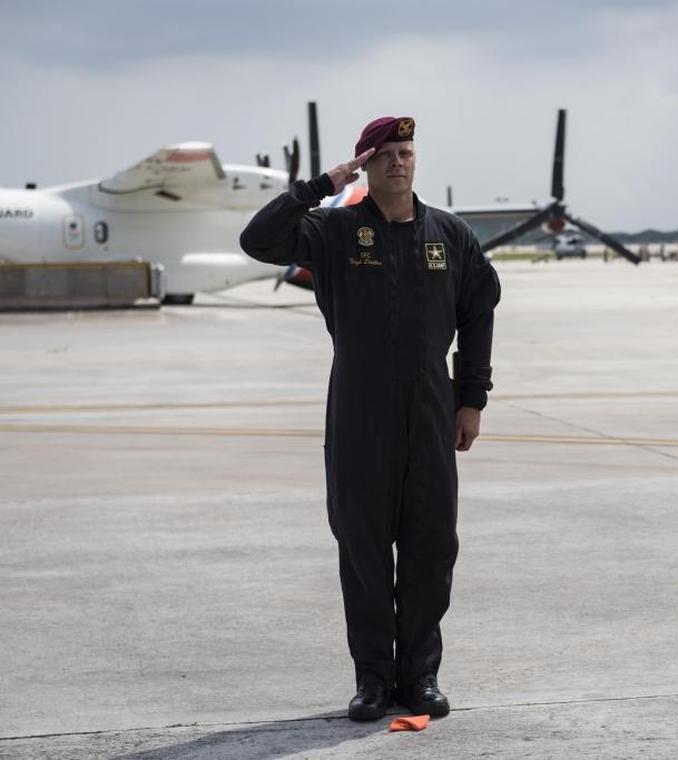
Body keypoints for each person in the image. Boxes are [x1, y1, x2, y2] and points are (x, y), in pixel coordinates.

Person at [239, 116, 502, 720]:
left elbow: (479, 311)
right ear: (363, 164)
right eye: (383, 155)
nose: (397, 163)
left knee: (431, 547)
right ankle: (374, 681)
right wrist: (318, 187)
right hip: (359, 408)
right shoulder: (333, 229)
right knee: (362, 548)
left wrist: (473, 398)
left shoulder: (449, 234)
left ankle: (420, 678)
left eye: (406, 152)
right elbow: (258, 241)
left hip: (433, 408)